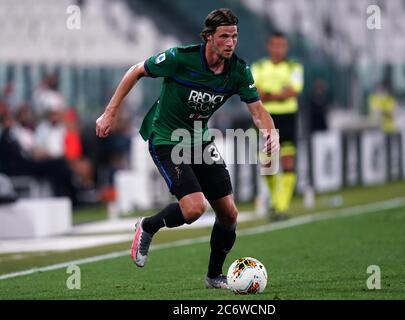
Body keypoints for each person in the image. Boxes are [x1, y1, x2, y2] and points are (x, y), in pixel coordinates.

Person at [95, 8, 280, 289]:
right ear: (208, 37)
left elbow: (257, 111)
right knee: (194, 209)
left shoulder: (239, 71)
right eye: (224, 36)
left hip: (200, 141)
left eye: (234, 36)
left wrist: (270, 132)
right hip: (167, 140)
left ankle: (213, 276)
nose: (230, 42)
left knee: (229, 214)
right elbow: (135, 71)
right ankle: (148, 226)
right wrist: (109, 113)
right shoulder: (180, 58)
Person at [251, 31, 304, 219]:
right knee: (267, 162)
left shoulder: (294, 67)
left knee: (288, 159)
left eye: (282, 45)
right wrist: (280, 92)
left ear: (286, 47)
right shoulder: (259, 66)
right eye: (275, 44)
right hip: (266, 117)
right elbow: (255, 91)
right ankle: (276, 201)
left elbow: (293, 92)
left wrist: (269, 94)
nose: (278, 48)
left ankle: (281, 207)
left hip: (288, 116)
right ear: (269, 46)